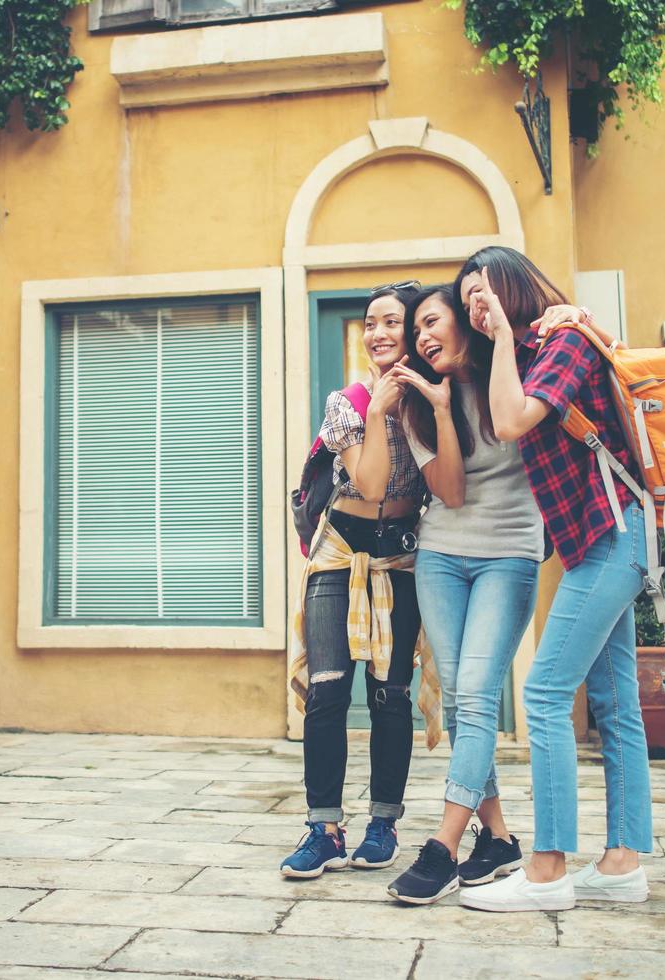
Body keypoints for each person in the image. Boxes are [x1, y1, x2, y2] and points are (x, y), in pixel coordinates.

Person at [454, 245, 652, 913]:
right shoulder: (534, 350)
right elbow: (505, 411)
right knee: (614, 699)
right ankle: (622, 862)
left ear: (509, 285)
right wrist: (501, 343)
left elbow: (511, 422)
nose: (474, 307)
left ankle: (546, 870)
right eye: (466, 302)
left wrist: (507, 334)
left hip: (614, 536)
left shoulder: (560, 339)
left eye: (481, 291)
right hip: (601, 542)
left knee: (542, 692)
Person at [382, 285, 543, 905]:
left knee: (474, 696)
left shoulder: (513, 371)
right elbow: (448, 492)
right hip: (443, 556)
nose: (422, 337)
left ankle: (444, 845)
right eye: (415, 330)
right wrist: (442, 409)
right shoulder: (419, 404)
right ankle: (498, 837)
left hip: (509, 554)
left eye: (431, 322)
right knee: (459, 701)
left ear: (462, 321)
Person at [282, 283, 436, 878]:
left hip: (398, 558)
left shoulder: (431, 401)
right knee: (326, 690)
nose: (378, 333)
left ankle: (382, 823)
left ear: (416, 330)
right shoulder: (346, 403)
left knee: (390, 696)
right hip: (339, 552)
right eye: (370, 322)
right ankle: (323, 827)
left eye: (391, 322)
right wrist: (377, 410)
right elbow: (371, 484)